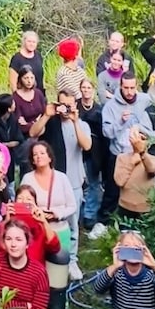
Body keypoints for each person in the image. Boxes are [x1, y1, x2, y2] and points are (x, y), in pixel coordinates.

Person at [28, 89, 91, 280]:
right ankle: (43, 259)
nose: (65, 108)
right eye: (62, 104)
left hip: (73, 182)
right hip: (49, 182)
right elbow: (32, 133)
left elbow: (87, 145)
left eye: (69, 104)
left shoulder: (81, 124)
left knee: (72, 225)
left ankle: (71, 260)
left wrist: (74, 120)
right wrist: (47, 115)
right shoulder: (50, 122)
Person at [99, 71, 154, 225]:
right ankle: (104, 223)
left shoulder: (145, 100)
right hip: (119, 155)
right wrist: (120, 122)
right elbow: (106, 132)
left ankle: (137, 224)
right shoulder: (110, 106)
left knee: (138, 190)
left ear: (136, 86)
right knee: (112, 190)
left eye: (132, 88)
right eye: (126, 88)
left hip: (139, 154)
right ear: (120, 87)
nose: (129, 92)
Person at [19, 141, 77, 279]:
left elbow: (72, 206)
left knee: (57, 271)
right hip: (37, 231)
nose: (38, 156)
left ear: (50, 157)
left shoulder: (62, 178)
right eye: (35, 154)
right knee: (37, 269)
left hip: (59, 229)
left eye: (42, 153)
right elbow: (21, 202)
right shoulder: (28, 178)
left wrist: (55, 214)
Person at [0, 220, 50, 309]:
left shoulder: (38, 272)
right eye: (8, 239)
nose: (13, 244)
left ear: (27, 243)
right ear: (4, 241)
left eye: (19, 240)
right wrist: (25, 306)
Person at [77, 78, 106, 237]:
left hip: (94, 153)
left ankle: (89, 215)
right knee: (79, 184)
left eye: (89, 87)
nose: (86, 90)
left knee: (94, 184)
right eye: (84, 87)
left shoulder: (99, 109)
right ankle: (77, 213)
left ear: (93, 90)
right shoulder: (75, 107)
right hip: (77, 152)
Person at [113, 127, 155, 218]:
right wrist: (131, 163)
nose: (139, 142)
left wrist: (142, 153)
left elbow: (152, 170)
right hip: (125, 208)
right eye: (136, 139)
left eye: (142, 139)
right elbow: (119, 181)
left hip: (146, 210)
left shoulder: (153, 159)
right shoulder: (122, 158)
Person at [0, 94, 22, 183]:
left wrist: (5, 145)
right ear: (8, 108)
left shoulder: (13, 119)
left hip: (9, 156)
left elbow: (18, 139)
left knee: (10, 182)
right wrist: (5, 145)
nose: (15, 104)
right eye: (13, 102)